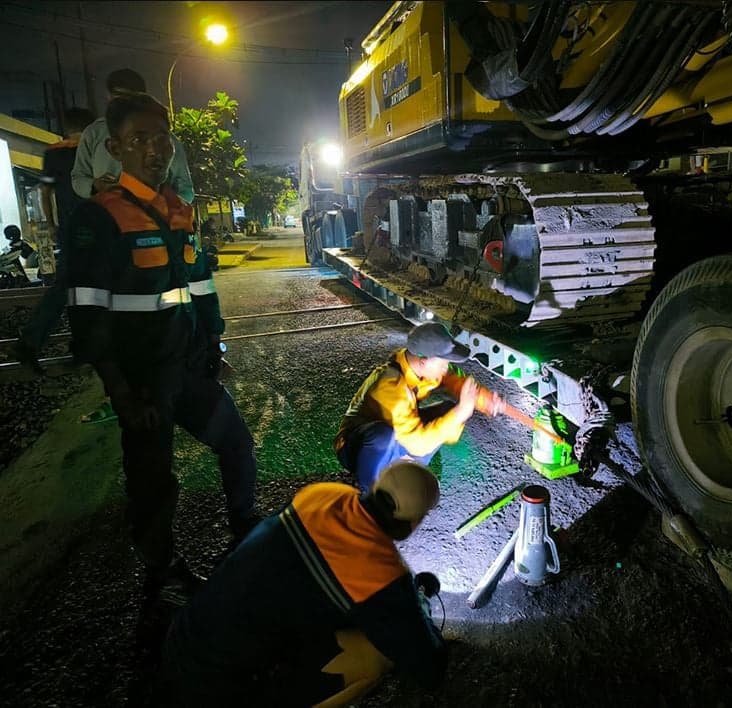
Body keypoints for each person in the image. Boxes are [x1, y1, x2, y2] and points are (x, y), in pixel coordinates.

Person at [64, 92, 259, 605]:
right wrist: (121, 393)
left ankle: (247, 532)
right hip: (142, 381)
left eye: (162, 138)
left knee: (236, 443)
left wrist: (213, 345)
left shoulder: (179, 212)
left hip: (190, 369)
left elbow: (201, 287)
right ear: (115, 147)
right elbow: (87, 313)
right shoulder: (98, 219)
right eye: (139, 139)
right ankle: (162, 571)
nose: (155, 149)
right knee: (153, 483)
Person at [162, 460, 447, 707]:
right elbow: (429, 667)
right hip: (222, 693)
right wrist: (417, 602)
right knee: (372, 658)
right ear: (412, 522)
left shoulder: (323, 495)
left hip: (185, 639)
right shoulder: (381, 574)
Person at [335, 322, 504, 491]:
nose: (446, 368)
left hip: (397, 435)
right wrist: (460, 413)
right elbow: (418, 444)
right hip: (356, 448)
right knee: (382, 436)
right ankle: (369, 492)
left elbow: (455, 379)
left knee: (447, 410)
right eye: (443, 363)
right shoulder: (390, 385)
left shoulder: (421, 367)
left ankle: (406, 472)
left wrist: (484, 399)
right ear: (423, 361)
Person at [14, 107, 96, 376]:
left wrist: (51, 224)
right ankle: (33, 342)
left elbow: (45, 190)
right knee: (78, 288)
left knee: (71, 288)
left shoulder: (53, 153)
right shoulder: (93, 150)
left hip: (70, 229)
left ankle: (78, 348)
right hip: (96, 228)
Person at [71, 68, 194, 204]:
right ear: (114, 148)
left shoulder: (168, 141)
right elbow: (78, 178)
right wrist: (95, 186)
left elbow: (186, 190)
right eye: (119, 98)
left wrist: (164, 207)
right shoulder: (94, 133)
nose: (152, 149)